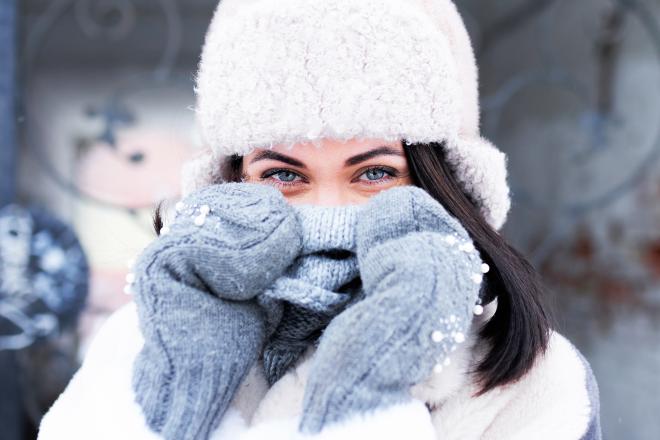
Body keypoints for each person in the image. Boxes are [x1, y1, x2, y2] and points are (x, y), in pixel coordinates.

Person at [37, 0, 602, 439]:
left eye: (375, 174)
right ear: (231, 183)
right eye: (285, 175)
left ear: (439, 183)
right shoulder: (141, 345)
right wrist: (178, 390)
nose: (328, 212)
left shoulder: (526, 384)